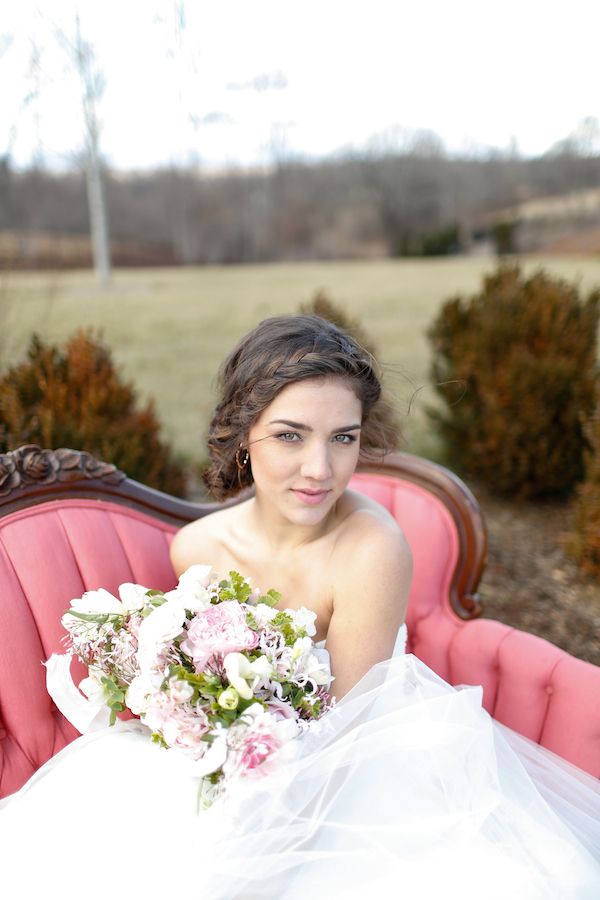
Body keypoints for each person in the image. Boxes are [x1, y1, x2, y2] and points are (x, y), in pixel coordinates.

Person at [0, 314, 599, 900]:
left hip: (357, 769)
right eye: (290, 435)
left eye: (344, 438)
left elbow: (344, 740)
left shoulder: (372, 549)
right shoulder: (199, 548)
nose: (321, 469)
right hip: (230, 761)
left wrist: (250, 870)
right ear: (243, 436)